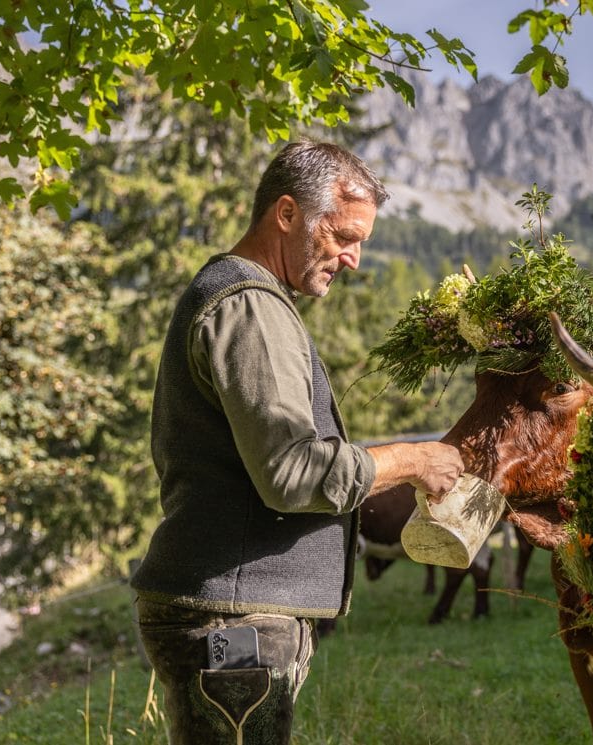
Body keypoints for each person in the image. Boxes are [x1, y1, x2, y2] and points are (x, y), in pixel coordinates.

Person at [130, 140, 464, 744]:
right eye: (342, 236)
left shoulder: (241, 297)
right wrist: (414, 458)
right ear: (286, 214)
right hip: (232, 624)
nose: (354, 258)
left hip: (233, 612)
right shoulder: (252, 306)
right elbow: (291, 471)